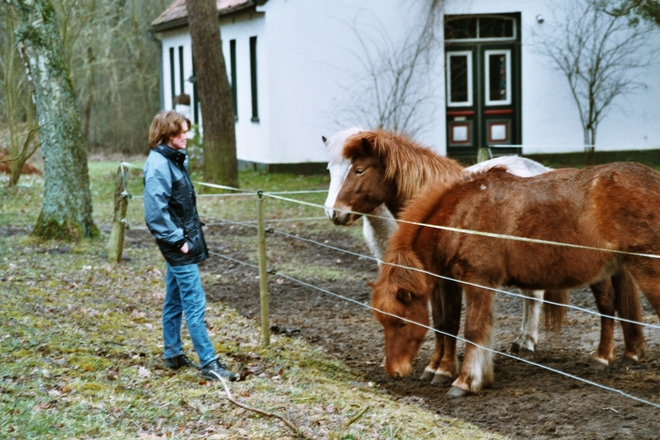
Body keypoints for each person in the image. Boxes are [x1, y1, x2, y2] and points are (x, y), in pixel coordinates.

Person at [143, 110, 237, 382]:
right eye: (182, 131)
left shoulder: (172, 160)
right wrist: (179, 241)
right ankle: (209, 363)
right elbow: (155, 213)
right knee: (195, 304)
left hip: (182, 241)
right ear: (167, 134)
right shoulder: (159, 165)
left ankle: (172, 353)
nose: (187, 136)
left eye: (186, 130)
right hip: (177, 245)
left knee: (174, 300)